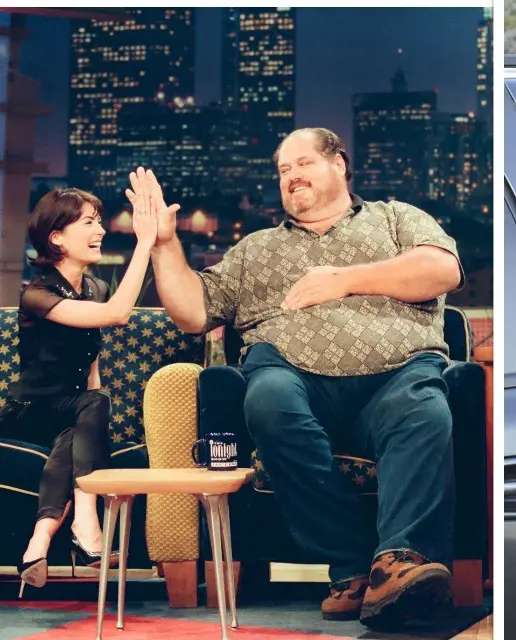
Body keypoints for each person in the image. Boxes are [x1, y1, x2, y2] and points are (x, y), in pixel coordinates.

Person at [141, 127, 463, 626]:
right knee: (266, 398)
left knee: (426, 410)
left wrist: (344, 280)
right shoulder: (255, 249)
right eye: (283, 170)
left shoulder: (396, 217)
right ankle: (357, 569)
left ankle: (400, 561)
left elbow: (442, 270)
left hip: (396, 375)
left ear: (339, 165)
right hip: (291, 377)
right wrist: (164, 245)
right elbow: (192, 313)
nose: (291, 176)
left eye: (303, 163)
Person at [3, 180, 162, 596]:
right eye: (89, 223)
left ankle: (37, 544)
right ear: (56, 237)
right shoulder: (35, 293)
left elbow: (92, 371)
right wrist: (145, 243)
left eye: (99, 222)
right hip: (29, 413)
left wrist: (97, 415)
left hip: (72, 412)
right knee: (90, 406)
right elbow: (117, 314)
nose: (101, 231)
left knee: (80, 427)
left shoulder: (95, 288)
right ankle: (86, 517)